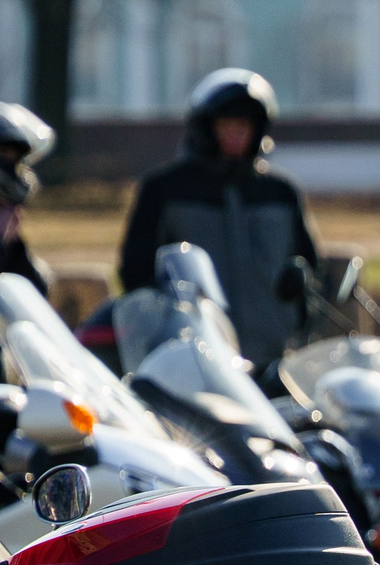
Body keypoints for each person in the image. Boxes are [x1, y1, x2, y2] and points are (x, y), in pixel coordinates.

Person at [118, 69, 319, 371]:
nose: (236, 135)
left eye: (244, 126)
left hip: (273, 359)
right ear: (205, 128)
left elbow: (307, 269)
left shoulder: (281, 193)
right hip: (195, 361)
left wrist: (296, 327)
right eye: (227, 125)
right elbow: (136, 273)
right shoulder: (165, 190)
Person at [0, 103, 55, 294]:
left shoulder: (8, 221)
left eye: (13, 157)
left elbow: (34, 293)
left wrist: (9, 242)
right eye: (4, 154)